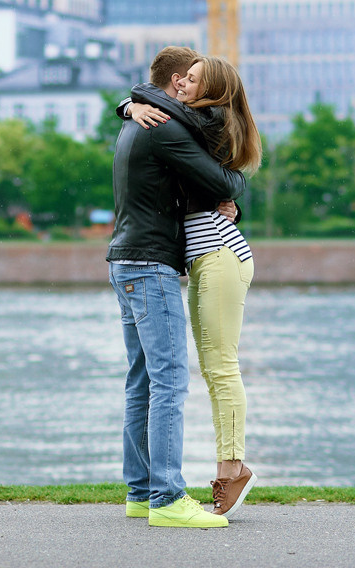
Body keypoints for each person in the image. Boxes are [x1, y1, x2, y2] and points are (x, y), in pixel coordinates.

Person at [107, 46, 247, 529]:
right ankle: (167, 498)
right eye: (185, 79)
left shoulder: (138, 121)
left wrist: (128, 104)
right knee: (168, 382)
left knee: (142, 382)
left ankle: (141, 493)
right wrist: (230, 192)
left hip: (128, 261)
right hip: (149, 265)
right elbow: (224, 181)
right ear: (174, 87)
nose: (188, 88)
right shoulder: (164, 127)